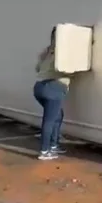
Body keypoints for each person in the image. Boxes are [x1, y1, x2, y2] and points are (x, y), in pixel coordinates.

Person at [32, 28, 70, 160]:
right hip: (54, 87)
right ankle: (45, 151)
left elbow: (37, 68)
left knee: (58, 115)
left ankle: (53, 146)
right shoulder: (65, 50)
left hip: (39, 87)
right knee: (50, 120)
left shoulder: (47, 50)